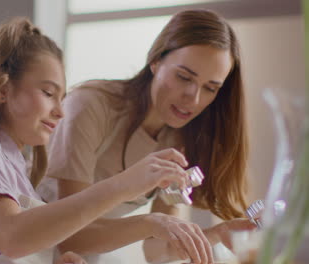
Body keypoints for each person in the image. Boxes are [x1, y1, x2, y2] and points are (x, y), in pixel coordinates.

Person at [0, 17, 200, 264]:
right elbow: (13, 237)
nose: (59, 112)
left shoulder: (15, 172)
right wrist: (125, 184)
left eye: (62, 98)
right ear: (2, 87)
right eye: (48, 93)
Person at [37, 9, 256, 263]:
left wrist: (218, 232)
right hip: (23, 250)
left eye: (210, 88)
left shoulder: (180, 141)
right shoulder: (90, 106)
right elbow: (69, 233)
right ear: (155, 61)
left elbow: (157, 252)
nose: (193, 99)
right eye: (184, 77)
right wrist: (152, 222)